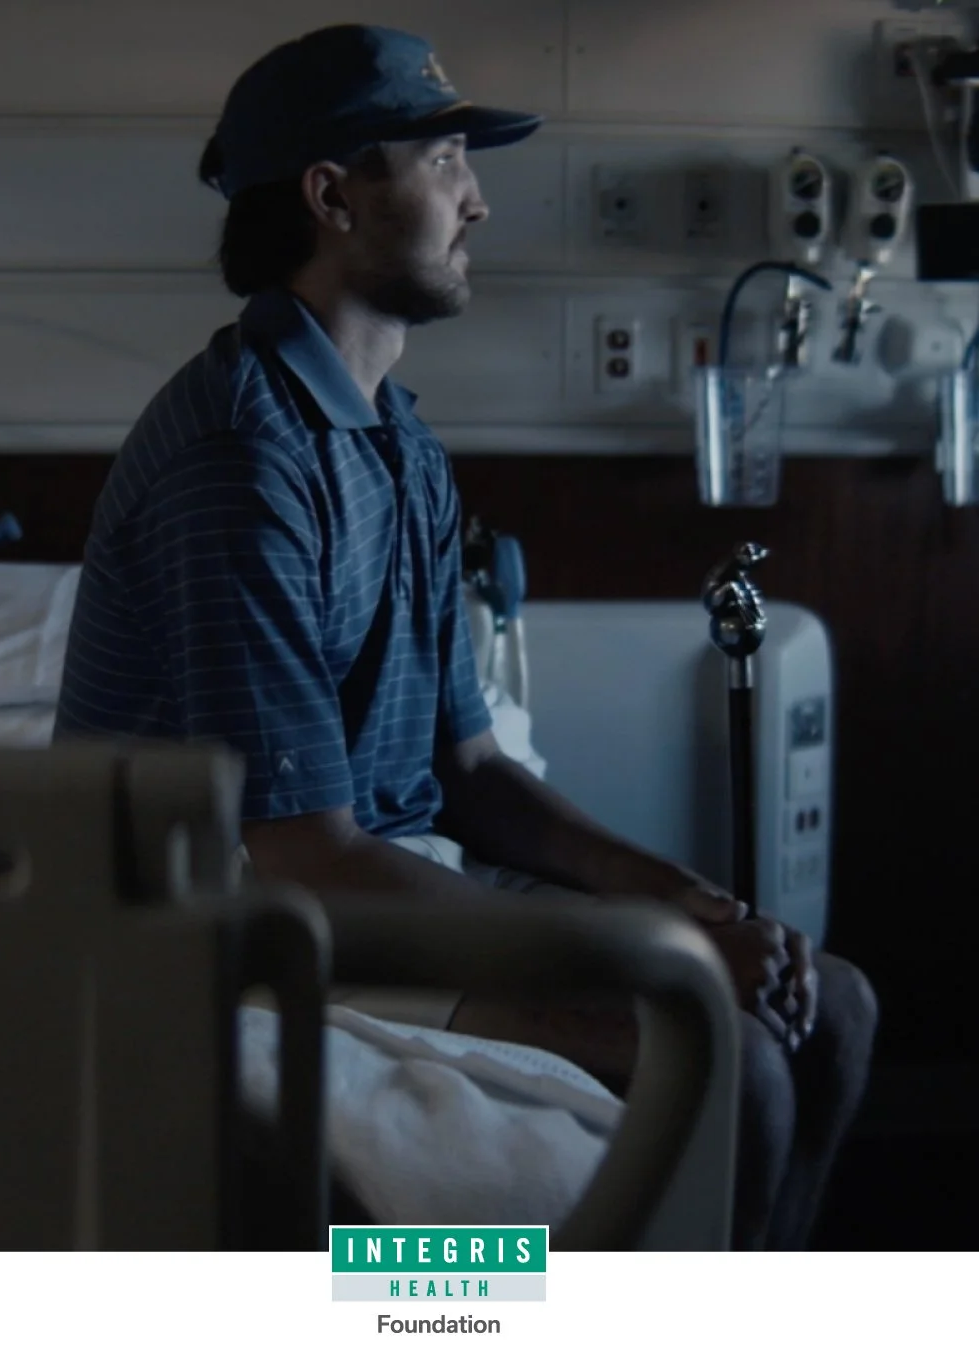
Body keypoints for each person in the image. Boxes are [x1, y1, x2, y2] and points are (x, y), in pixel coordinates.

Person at [54, 22, 878, 1249]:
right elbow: (306, 856)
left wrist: (689, 901)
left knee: (842, 1007)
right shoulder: (239, 460)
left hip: (381, 878)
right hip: (246, 910)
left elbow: (472, 772)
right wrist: (650, 953)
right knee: (731, 1065)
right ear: (333, 197)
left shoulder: (400, 445)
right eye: (443, 164)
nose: (478, 203)